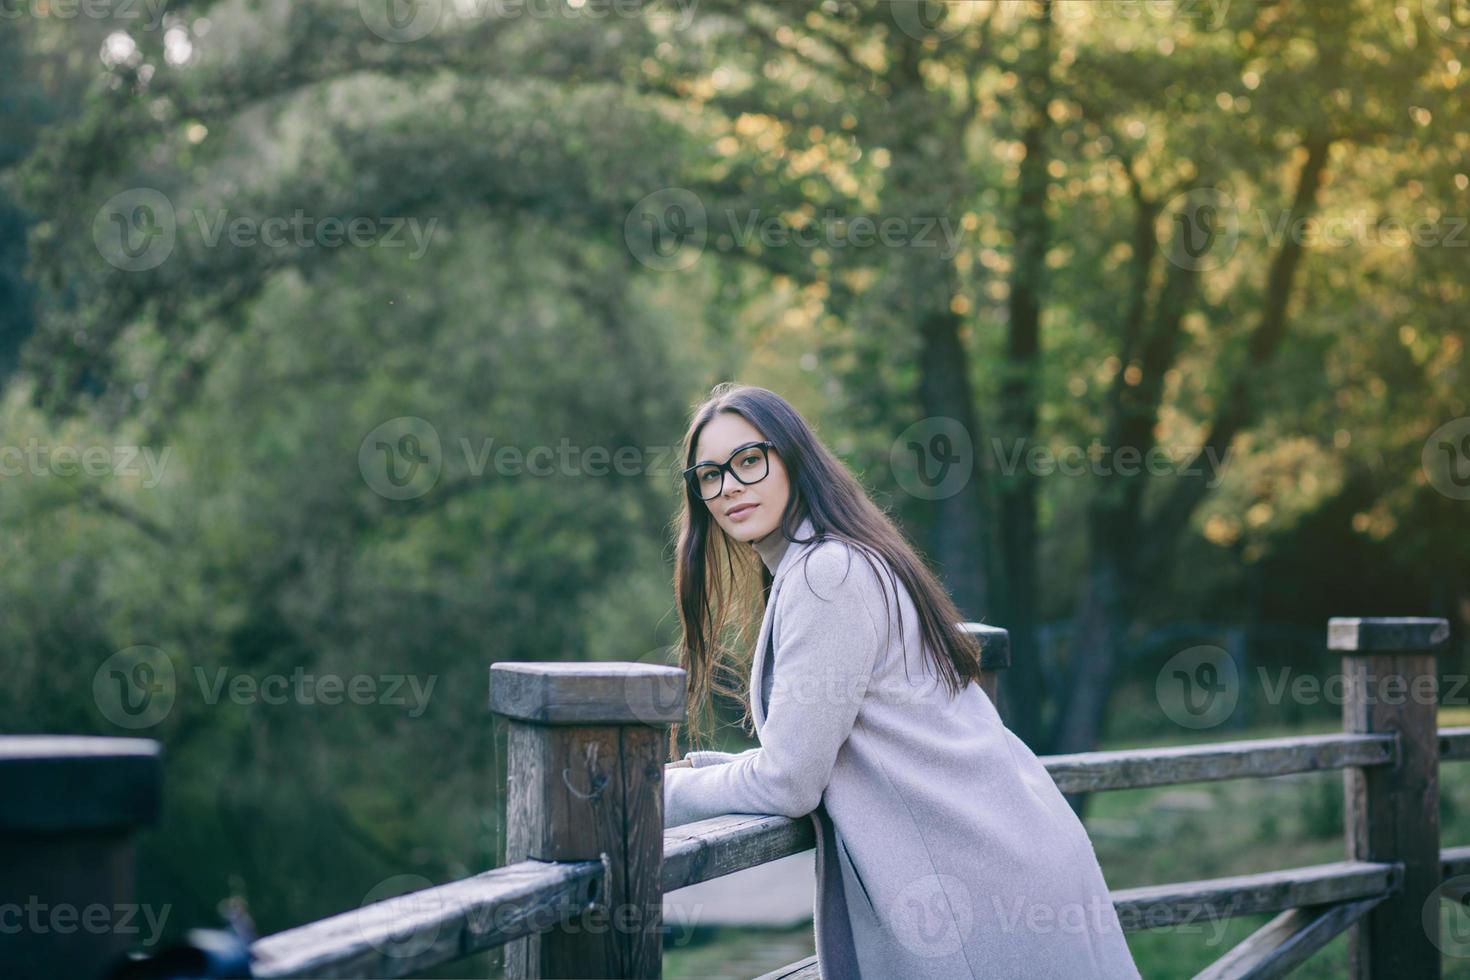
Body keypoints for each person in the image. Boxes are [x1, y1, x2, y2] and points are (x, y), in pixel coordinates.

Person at [663, 382, 1142, 979]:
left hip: (983, 884)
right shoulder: (835, 559)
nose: (728, 485)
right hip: (1003, 858)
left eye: (749, 460)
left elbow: (789, 782)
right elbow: (824, 742)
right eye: (708, 474)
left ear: (793, 457)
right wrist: (709, 767)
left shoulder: (826, 574)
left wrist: (654, 795)